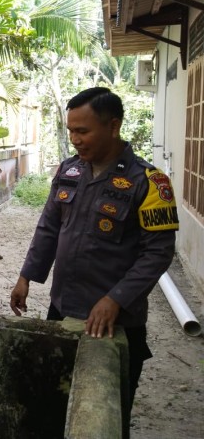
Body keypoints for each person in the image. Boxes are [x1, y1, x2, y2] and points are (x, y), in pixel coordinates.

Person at [10, 86, 178, 417]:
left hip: (114, 321)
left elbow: (157, 254)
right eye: (71, 130)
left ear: (113, 126)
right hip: (62, 308)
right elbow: (48, 228)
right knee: (56, 402)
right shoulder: (69, 171)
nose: (75, 138)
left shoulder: (149, 182)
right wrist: (26, 276)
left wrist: (115, 299)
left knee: (106, 411)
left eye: (82, 130)